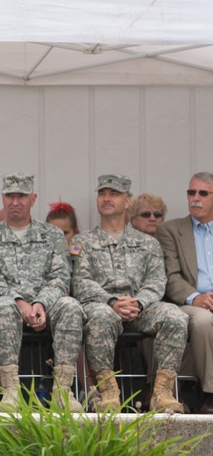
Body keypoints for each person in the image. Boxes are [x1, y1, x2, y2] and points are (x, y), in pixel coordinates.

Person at [71, 175, 186, 413]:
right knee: (101, 316)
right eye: (102, 193)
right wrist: (112, 302)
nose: (107, 198)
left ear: (127, 202)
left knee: (175, 317)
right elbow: (80, 282)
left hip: (140, 307)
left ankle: (162, 393)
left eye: (114, 194)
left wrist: (138, 303)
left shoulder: (147, 243)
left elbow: (156, 281)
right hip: (102, 305)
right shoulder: (83, 241)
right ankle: (109, 392)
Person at [0, 173, 85, 410]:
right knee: (3, 306)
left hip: (45, 306)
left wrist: (41, 304)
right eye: (10, 195)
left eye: (21, 196)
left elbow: (60, 276)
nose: (15, 201)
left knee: (71, 307)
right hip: (7, 305)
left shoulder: (53, 235)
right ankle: (10, 391)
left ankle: (63, 391)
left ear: (33, 199)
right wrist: (21, 304)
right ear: (2, 198)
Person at [156, 171, 213, 414]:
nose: (195, 198)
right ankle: (210, 394)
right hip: (192, 301)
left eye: (202, 193)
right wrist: (196, 297)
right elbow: (170, 276)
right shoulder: (170, 230)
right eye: (191, 192)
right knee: (203, 321)